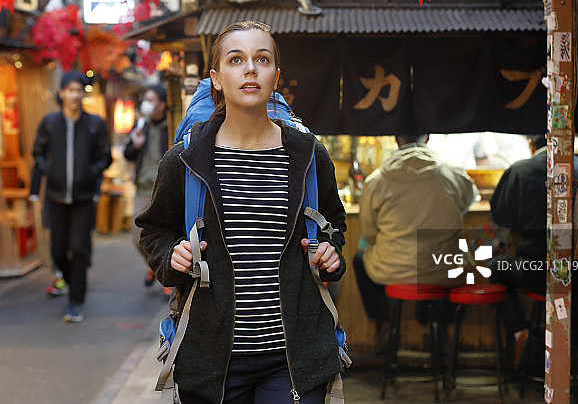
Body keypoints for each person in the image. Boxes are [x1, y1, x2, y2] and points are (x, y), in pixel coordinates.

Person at [137, 20, 347, 404]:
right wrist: (172, 255)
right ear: (216, 78)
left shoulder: (308, 156)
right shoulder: (185, 160)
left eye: (262, 59)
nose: (250, 68)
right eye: (236, 60)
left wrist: (330, 252)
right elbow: (154, 231)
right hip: (210, 357)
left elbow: (333, 225)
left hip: (294, 357)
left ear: (275, 76)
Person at [353, 134, 477, 349]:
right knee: (460, 261)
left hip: (392, 270)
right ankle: (438, 325)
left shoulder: (375, 180)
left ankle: (384, 325)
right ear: (427, 137)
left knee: (359, 259)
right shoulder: (452, 173)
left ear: (396, 139)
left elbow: (370, 234)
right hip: (443, 269)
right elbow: (469, 200)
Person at [488, 134, 578, 366]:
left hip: (536, 272)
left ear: (532, 145)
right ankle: (573, 345)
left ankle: (520, 332)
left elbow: (500, 216)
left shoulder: (519, 171)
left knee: (497, 267)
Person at [29, 70, 112, 322]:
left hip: (83, 198)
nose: (75, 95)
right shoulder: (50, 122)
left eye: (79, 90)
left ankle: (76, 301)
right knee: (57, 251)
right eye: (70, 90)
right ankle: (69, 280)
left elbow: (105, 157)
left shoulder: (95, 124)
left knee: (79, 249)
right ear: (62, 93)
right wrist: (48, 170)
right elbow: (37, 152)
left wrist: (90, 172)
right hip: (55, 196)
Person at [122, 84, 169, 289]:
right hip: (142, 188)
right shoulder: (141, 125)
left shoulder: (171, 125)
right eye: (145, 100)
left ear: (162, 105)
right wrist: (135, 145)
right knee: (136, 236)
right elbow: (127, 154)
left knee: (165, 234)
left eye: (151, 100)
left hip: (164, 189)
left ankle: (167, 278)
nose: (146, 104)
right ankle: (156, 265)